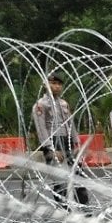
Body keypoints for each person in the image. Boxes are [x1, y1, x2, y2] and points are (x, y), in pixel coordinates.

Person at [32, 72, 90, 209]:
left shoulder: (64, 103)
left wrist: (76, 142)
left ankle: (84, 205)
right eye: (53, 83)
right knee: (58, 176)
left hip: (67, 140)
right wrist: (51, 148)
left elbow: (71, 124)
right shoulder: (40, 105)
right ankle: (64, 208)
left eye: (59, 84)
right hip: (52, 141)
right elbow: (41, 129)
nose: (57, 87)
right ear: (45, 85)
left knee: (77, 172)